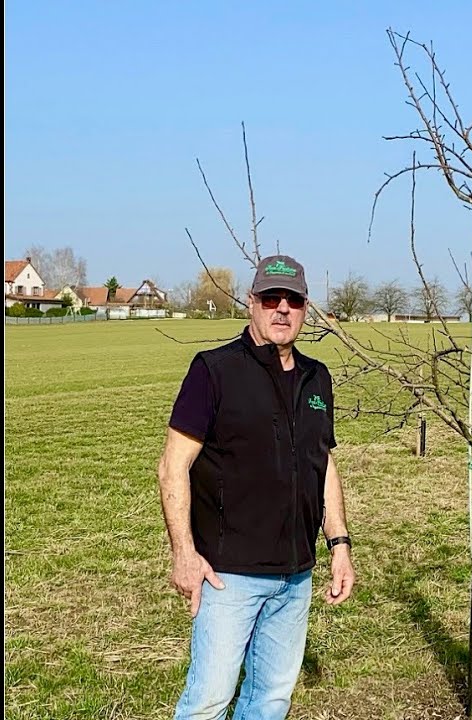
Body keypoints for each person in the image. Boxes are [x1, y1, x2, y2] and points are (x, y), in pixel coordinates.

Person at [157, 254, 355, 720]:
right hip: (230, 576)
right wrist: (184, 554)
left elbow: (322, 462)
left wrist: (339, 543)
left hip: (296, 576)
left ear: (306, 308)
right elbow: (172, 467)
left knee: (270, 700)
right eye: (271, 298)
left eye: (293, 300)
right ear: (252, 303)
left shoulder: (317, 377)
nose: (282, 309)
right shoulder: (214, 371)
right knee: (208, 701)